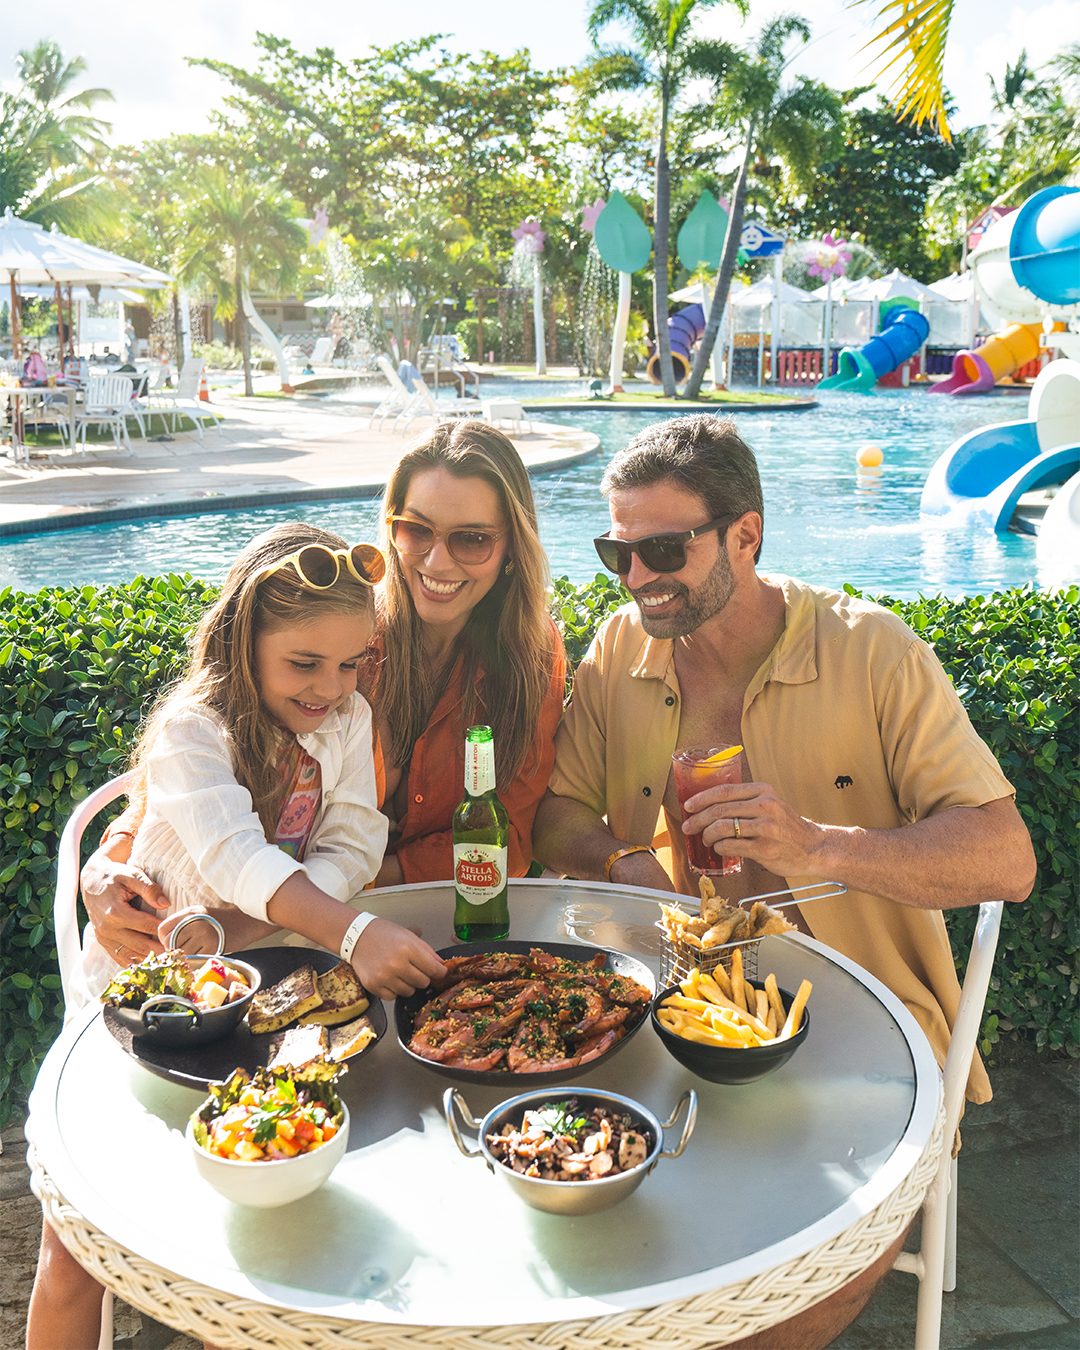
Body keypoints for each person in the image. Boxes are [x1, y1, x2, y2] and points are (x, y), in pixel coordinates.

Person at [29, 521, 447, 1350]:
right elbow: (236, 852)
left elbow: (357, 838)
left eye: (351, 662)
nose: (332, 687)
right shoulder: (194, 729)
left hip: (264, 984)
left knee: (258, 1209)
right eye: (305, 663)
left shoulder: (347, 716)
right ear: (241, 637)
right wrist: (348, 927)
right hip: (142, 992)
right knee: (74, 1245)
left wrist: (259, 921)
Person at [532, 414, 1036, 1101]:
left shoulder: (874, 651)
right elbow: (556, 814)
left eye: (664, 550)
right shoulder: (623, 647)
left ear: (746, 536)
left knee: (852, 1203)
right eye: (618, 553)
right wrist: (626, 861)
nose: (636, 576)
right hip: (684, 1003)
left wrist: (820, 847)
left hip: (869, 1024)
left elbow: (1007, 861)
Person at [78, 422, 565, 961]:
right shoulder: (339, 631)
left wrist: (278, 912)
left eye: (471, 539)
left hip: (393, 919)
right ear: (390, 527)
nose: (437, 561)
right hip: (300, 926)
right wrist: (105, 864)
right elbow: (196, 770)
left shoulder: (530, 657)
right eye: (416, 531)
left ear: (512, 547)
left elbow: (511, 834)